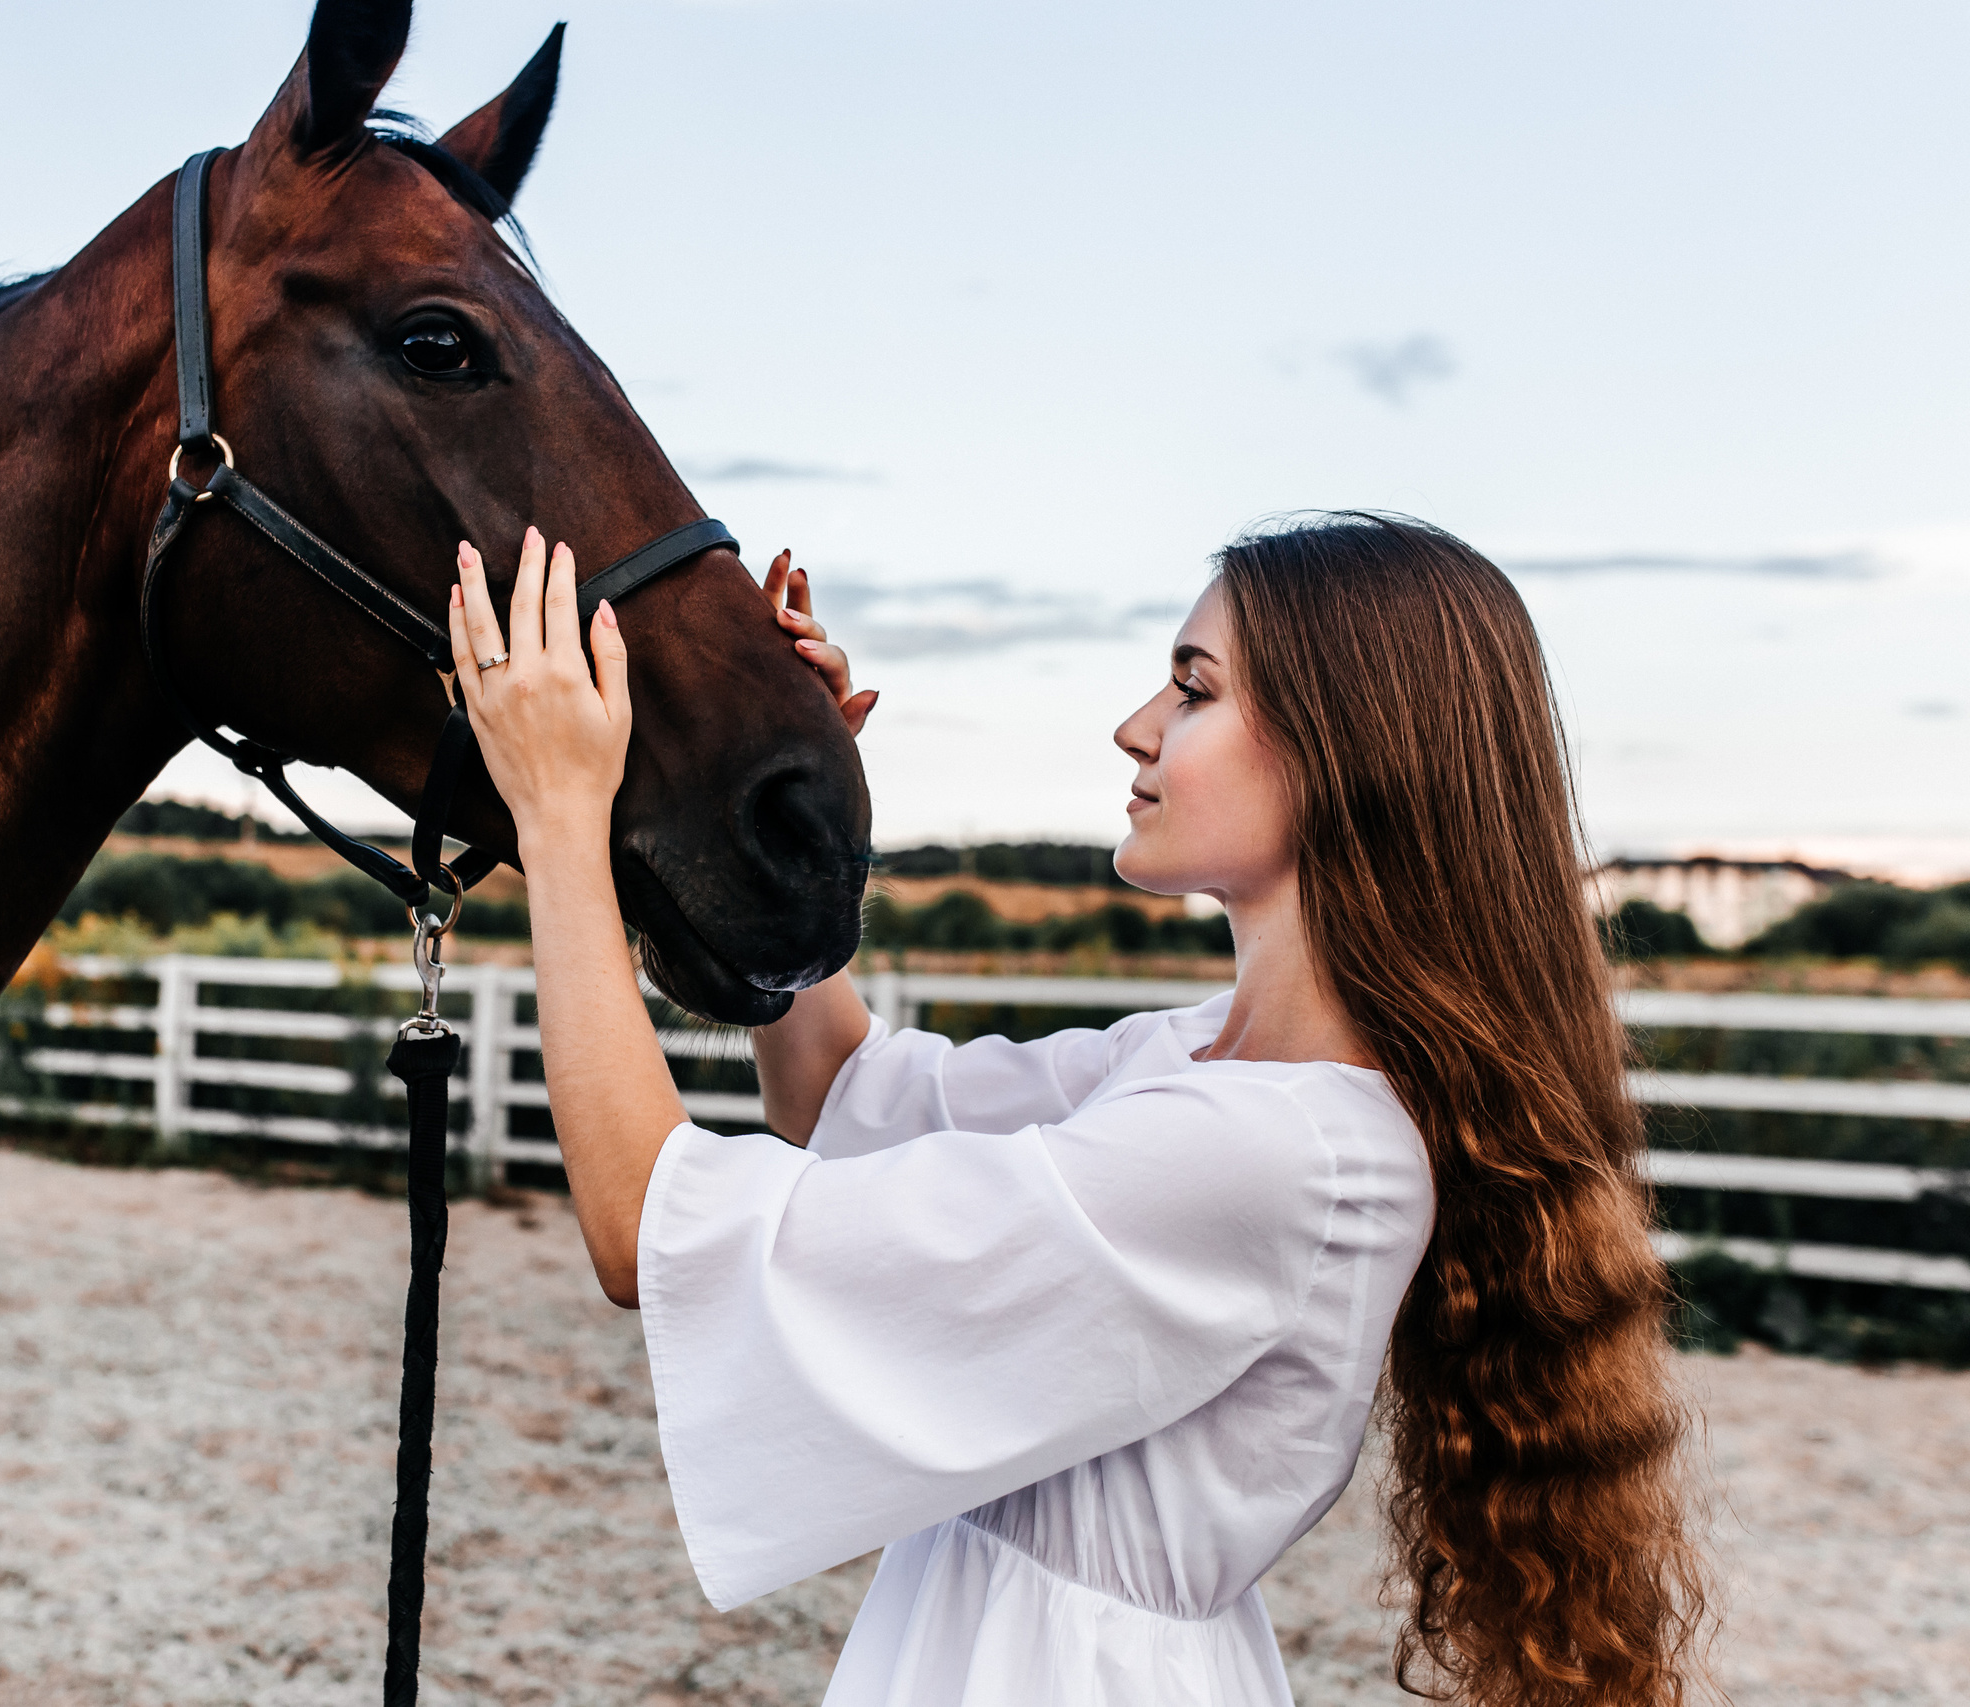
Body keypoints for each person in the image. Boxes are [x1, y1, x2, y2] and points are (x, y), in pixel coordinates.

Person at [444, 512, 1707, 1707]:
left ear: (1350, 755)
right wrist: (789, 807)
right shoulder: (1202, 1064)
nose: (1133, 727)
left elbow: (646, 1228)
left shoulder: (1286, 1152)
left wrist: (561, 817)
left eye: (1194, 689)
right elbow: (842, 1094)